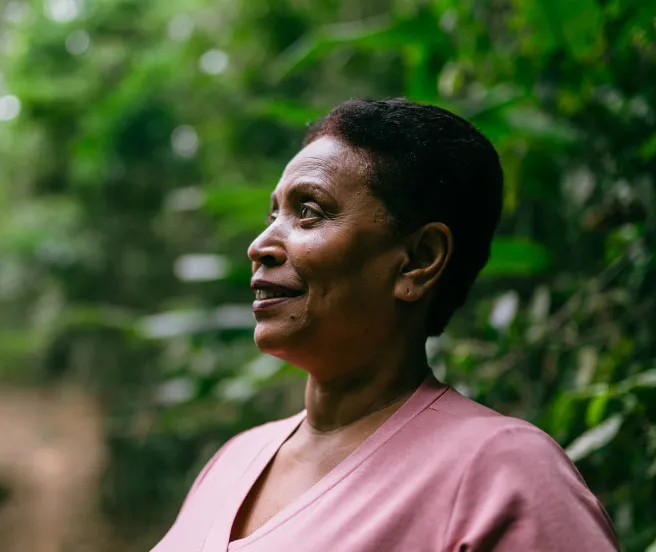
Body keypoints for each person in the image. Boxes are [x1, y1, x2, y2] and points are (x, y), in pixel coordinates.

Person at [151, 98, 620, 552]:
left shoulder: (501, 472)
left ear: (418, 260)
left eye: (308, 212)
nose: (261, 245)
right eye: (274, 214)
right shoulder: (234, 461)